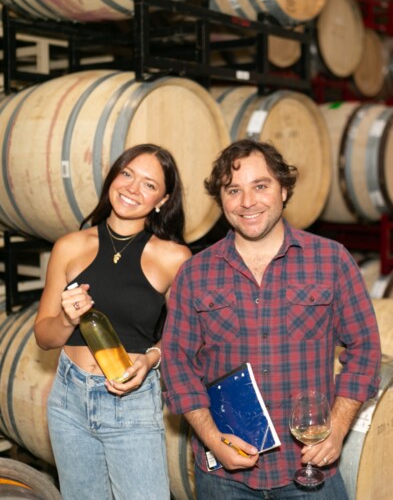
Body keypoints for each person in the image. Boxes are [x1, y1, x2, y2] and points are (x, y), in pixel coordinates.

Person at [161, 139, 381, 499]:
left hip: (308, 468)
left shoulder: (331, 261)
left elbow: (366, 349)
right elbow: (177, 363)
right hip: (223, 475)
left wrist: (338, 428)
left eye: (260, 186)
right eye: (234, 190)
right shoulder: (194, 274)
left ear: (284, 189)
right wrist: (213, 440)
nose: (247, 202)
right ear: (221, 200)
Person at [34, 143, 192, 500]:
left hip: (131, 401)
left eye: (149, 185)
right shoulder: (69, 246)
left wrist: (151, 358)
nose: (133, 188)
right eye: (127, 174)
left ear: (163, 200)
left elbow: (185, 336)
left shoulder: (174, 258)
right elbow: (44, 336)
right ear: (113, 178)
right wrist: (65, 318)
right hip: (68, 400)